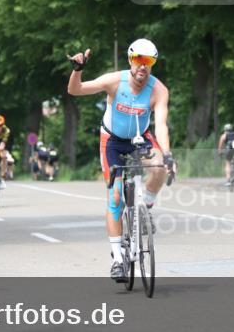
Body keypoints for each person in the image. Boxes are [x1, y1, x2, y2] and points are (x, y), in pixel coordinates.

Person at [67, 38, 175, 283]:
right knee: (115, 196)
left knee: (160, 166)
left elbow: (160, 126)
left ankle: (145, 207)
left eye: (149, 61)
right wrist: (77, 70)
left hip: (140, 138)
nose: (143, 66)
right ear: (130, 60)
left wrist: (167, 153)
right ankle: (117, 259)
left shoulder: (159, 90)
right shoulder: (115, 81)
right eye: (138, 60)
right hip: (113, 141)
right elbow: (76, 90)